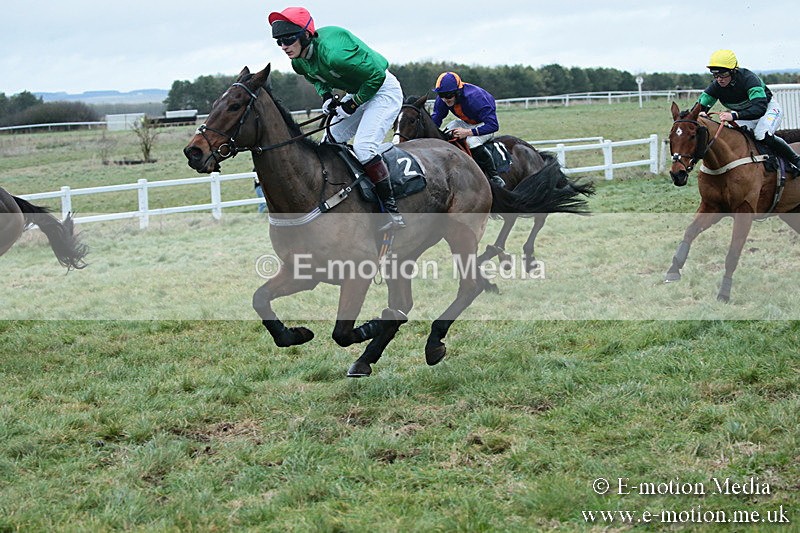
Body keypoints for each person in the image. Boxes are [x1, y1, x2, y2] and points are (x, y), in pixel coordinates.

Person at [268, 7, 405, 230]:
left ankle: (390, 212)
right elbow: (316, 78)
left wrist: (352, 104)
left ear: (305, 34)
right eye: (279, 42)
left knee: (364, 148)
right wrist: (327, 96)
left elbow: (377, 76)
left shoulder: (335, 55)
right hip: (360, 89)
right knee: (328, 142)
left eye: (288, 39)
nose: (284, 46)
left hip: (383, 90)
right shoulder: (298, 62)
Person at [698, 49, 800, 173]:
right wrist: (701, 113)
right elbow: (698, 108)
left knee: (762, 134)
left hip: (767, 109)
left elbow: (759, 108)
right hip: (745, 115)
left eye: (723, 75)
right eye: (715, 75)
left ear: (733, 71)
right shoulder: (716, 86)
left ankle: (796, 161)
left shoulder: (749, 79)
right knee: (734, 138)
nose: (719, 79)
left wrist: (734, 115)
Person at [431, 71, 505, 187]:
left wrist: (468, 132)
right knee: (446, 132)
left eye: (449, 96)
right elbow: (436, 119)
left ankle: (494, 175)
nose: (445, 99)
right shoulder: (444, 98)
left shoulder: (475, 98)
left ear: (457, 92)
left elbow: (493, 125)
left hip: (484, 125)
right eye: (441, 95)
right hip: (466, 123)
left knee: (471, 141)